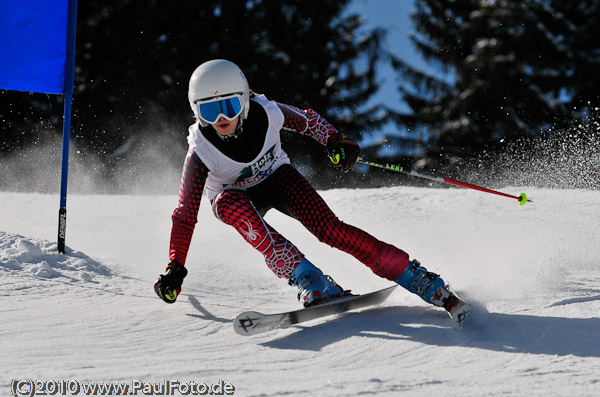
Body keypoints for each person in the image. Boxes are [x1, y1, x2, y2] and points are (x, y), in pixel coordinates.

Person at [154, 59, 462, 315]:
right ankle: (309, 279)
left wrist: (335, 141)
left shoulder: (268, 112)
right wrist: (175, 265)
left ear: (244, 101)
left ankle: (413, 275)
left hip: (277, 178)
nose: (223, 118)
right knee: (242, 215)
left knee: (330, 230)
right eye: (210, 111)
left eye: (230, 106)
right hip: (232, 197)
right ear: (197, 112)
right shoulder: (201, 150)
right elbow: (185, 213)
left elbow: (308, 121)